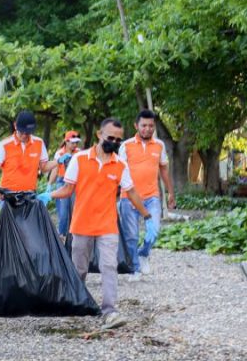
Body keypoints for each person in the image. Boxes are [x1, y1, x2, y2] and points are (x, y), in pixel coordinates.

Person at [47, 118, 153, 330]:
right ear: (99, 134)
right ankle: (76, 304)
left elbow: (130, 191)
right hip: (82, 224)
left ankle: (110, 311)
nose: (113, 142)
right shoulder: (79, 160)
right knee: (79, 267)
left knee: (109, 266)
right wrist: (48, 195)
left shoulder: (120, 165)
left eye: (118, 140)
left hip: (107, 225)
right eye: (110, 137)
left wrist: (147, 216)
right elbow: (68, 190)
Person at [118, 109, 176, 280]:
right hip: (128, 198)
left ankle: (144, 254)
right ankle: (135, 269)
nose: (147, 129)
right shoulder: (125, 146)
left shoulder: (159, 145)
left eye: (151, 126)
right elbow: (119, 172)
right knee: (131, 236)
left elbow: (164, 171)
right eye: (144, 125)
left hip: (152, 197)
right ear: (136, 126)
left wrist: (171, 193)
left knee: (155, 231)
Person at [0, 111, 57, 215]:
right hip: (8, 198)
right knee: (9, 231)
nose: (24, 135)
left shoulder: (39, 143)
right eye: (22, 132)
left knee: (29, 231)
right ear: (15, 125)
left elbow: (44, 167)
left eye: (28, 132)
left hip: (30, 197)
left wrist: (58, 161)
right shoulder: (4, 145)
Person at [48, 131, 81, 238]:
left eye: (76, 143)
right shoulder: (59, 153)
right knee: (63, 212)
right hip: (62, 182)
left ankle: (73, 236)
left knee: (75, 210)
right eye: (72, 142)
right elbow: (55, 170)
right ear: (66, 141)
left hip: (76, 183)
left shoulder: (79, 153)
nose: (75, 145)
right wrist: (49, 184)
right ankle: (61, 235)